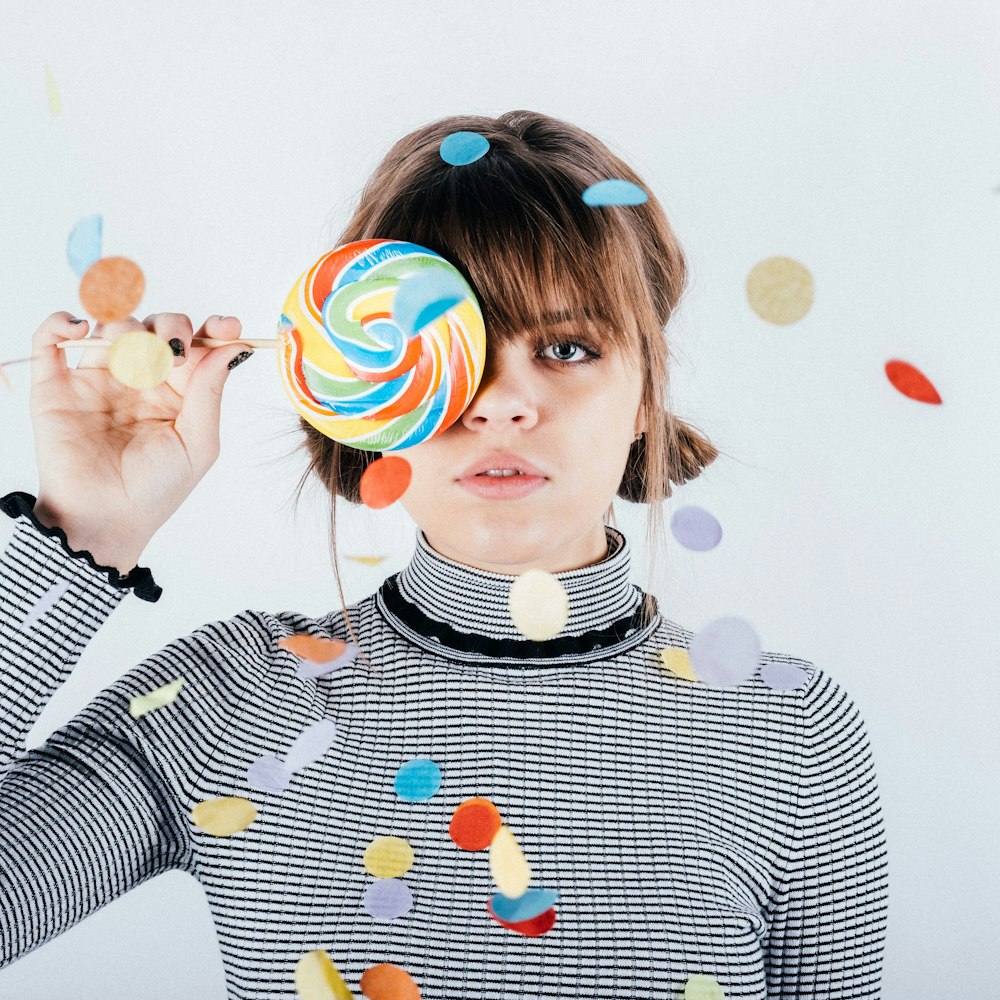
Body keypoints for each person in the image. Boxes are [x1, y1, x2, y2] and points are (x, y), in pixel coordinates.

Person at [0, 110, 888, 999]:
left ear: (648, 393)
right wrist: (84, 528)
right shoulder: (236, 700)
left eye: (568, 347)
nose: (501, 405)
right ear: (363, 396)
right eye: (444, 348)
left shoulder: (790, 734)